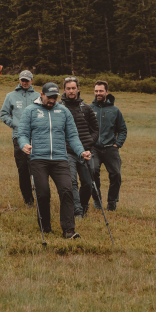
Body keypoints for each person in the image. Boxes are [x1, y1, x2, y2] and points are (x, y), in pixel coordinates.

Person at [17, 81, 91, 239]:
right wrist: (24, 144)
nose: (52, 100)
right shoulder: (30, 111)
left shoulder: (63, 111)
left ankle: (69, 230)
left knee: (67, 191)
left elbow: (73, 136)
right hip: (38, 159)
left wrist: (81, 152)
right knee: (43, 193)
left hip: (60, 159)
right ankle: (45, 225)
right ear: (42, 95)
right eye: (49, 97)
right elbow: (22, 133)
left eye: (54, 97)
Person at [60, 76, 99, 219]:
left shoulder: (86, 108)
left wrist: (89, 142)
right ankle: (77, 211)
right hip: (68, 151)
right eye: (68, 88)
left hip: (86, 151)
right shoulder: (59, 109)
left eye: (73, 88)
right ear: (64, 90)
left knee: (88, 183)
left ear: (78, 89)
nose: (71, 91)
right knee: (72, 182)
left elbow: (95, 129)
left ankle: (83, 207)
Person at [0, 70, 39, 206]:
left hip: (36, 137)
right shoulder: (10, 96)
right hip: (18, 136)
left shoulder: (38, 96)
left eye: (27, 80)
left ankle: (40, 195)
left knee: (37, 167)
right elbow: (4, 114)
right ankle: (28, 200)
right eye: (22, 80)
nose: (24, 82)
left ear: (31, 81)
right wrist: (15, 124)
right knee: (23, 169)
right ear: (19, 80)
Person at [90, 80, 127, 211]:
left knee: (116, 174)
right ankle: (97, 200)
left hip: (111, 147)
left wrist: (117, 144)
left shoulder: (115, 111)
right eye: (96, 91)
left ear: (107, 92)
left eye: (101, 91)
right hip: (94, 148)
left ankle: (112, 202)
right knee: (92, 171)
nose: (98, 93)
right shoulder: (89, 109)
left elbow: (122, 129)